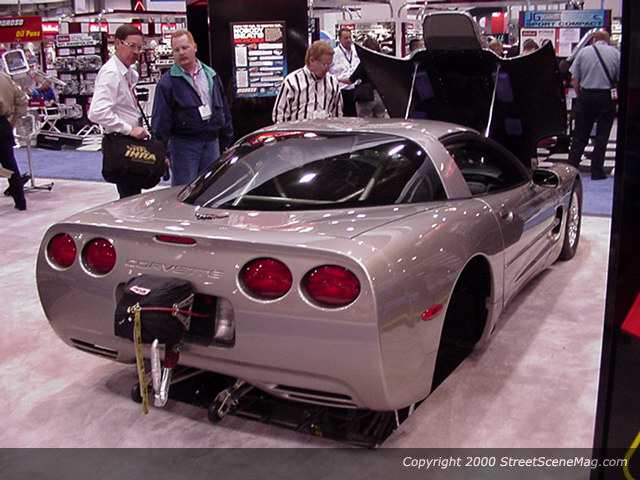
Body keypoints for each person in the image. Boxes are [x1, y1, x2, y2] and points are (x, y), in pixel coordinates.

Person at [151, 29, 233, 186]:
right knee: (185, 190)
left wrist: (227, 138)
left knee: (211, 188)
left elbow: (223, 107)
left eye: (185, 47)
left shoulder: (211, 75)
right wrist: (161, 152)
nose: (181, 53)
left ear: (194, 47)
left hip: (212, 142)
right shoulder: (167, 83)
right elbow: (160, 120)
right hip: (184, 145)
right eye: (176, 50)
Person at [88, 25, 148, 199]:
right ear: (118, 43)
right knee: (129, 197)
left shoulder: (128, 73)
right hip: (121, 142)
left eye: (139, 47)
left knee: (133, 193)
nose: (136, 52)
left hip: (130, 140)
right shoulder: (111, 73)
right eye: (132, 46)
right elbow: (96, 112)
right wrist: (129, 129)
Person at [568, 30, 620, 180]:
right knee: (602, 136)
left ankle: (571, 169)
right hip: (606, 97)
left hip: (586, 96)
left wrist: (581, 95)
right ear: (607, 40)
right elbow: (619, 78)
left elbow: (574, 80)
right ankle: (597, 171)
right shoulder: (616, 54)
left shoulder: (583, 52)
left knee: (579, 136)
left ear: (593, 40)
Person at [272, 41, 343, 123]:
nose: (327, 69)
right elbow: (279, 116)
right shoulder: (292, 82)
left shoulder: (333, 83)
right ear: (311, 60)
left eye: (329, 64)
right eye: (324, 64)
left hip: (324, 130)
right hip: (297, 130)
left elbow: (337, 116)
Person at [0, 72, 28, 210]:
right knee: (10, 164)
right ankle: (20, 201)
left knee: (9, 165)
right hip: (3, 124)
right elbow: (22, 99)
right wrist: (12, 121)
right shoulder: (4, 77)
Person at [349, 36, 387, 119]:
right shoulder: (383, 62)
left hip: (366, 96)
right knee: (381, 121)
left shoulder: (364, 64)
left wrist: (336, 79)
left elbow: (351, 80)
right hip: (381, 96)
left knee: (365, 122)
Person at [330, 28, 360, 117]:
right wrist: (336, 79)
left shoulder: (356, 51)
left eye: (350, 37)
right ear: (340, 39)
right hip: (342, 90)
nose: (349, 40)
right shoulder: (334, 53)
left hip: (356, 90)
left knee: (356, 117)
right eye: (346, 38)